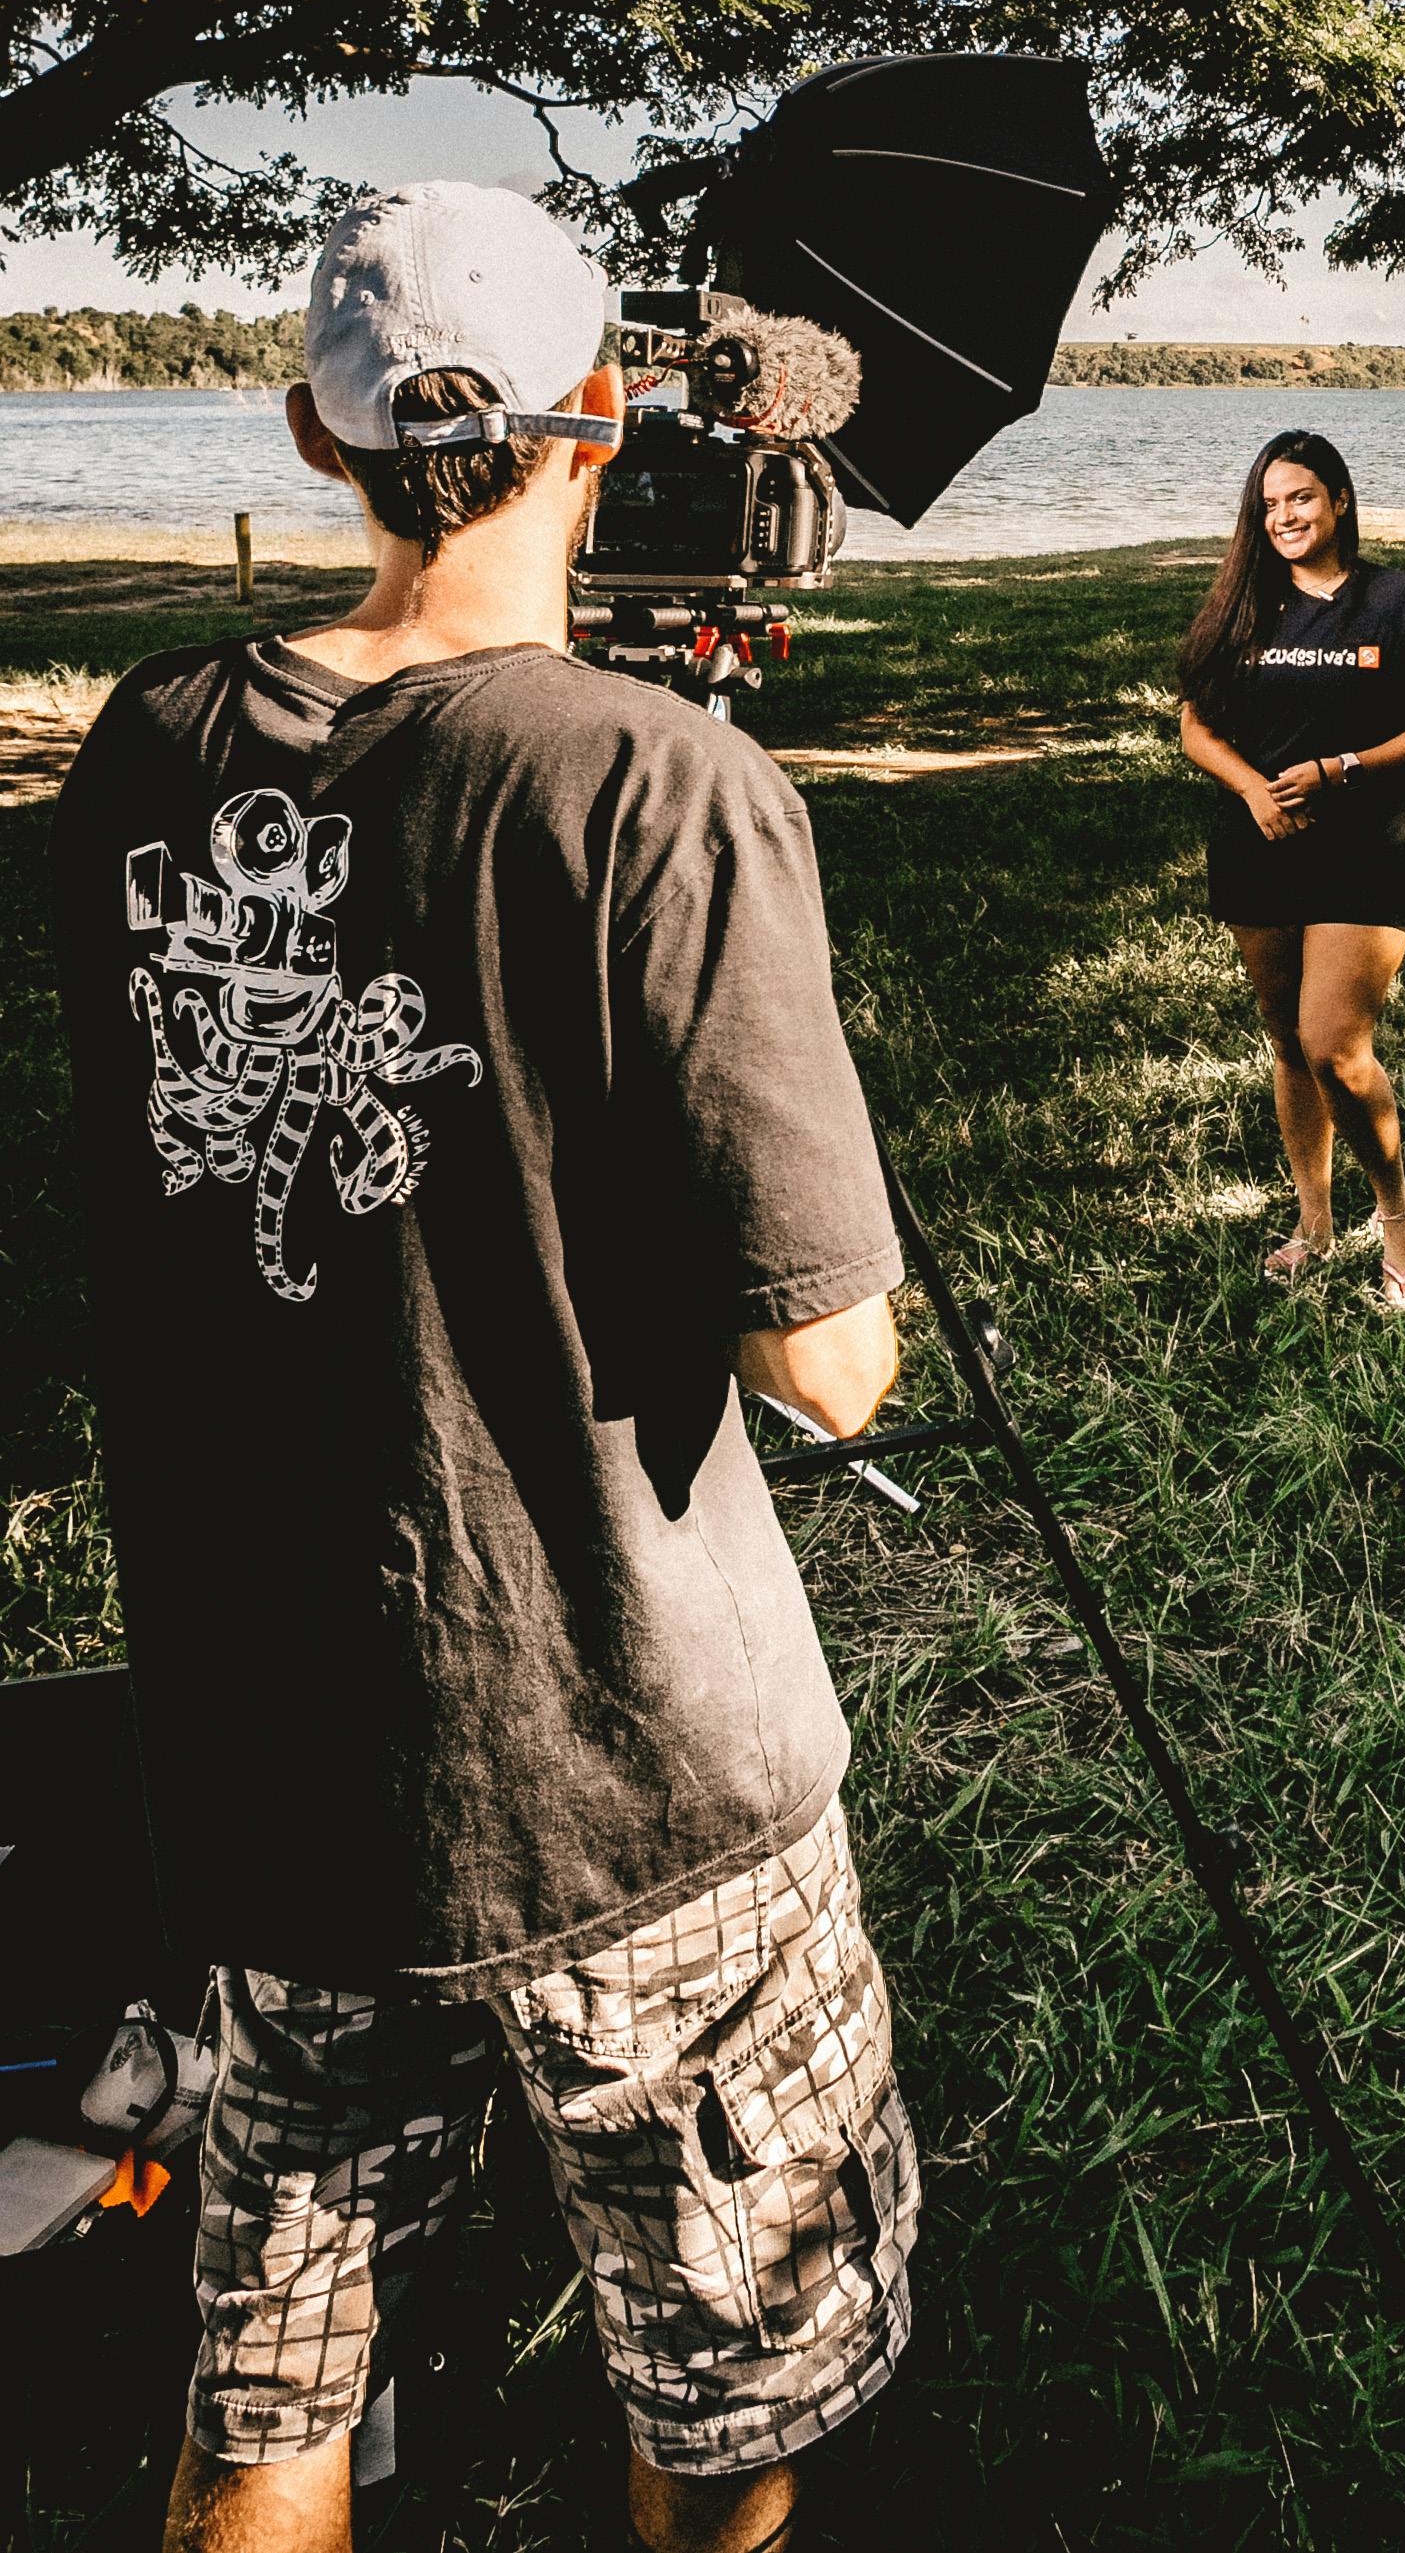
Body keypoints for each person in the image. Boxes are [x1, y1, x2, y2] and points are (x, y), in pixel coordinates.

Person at [49, 185, 920, 2553]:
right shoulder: (656, 789)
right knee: (725, 2384)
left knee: (272, 2384)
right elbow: (830, 1360)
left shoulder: (144, 753)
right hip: (638, 1770)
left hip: (279, 1757)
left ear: (307, 431)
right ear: (605, 418)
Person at [1177, 431, 1405, 1312]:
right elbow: (1196, 727)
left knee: (1335, 1048)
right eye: (1269, 503)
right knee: (1284, 1041)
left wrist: (1342, 768)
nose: (1283, 517)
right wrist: (1251, 792)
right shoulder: (1243, 605)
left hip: (1364, 846)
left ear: (1339, 499)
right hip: (1256, 846)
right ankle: (1313, 1220)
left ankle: (1398, 1220)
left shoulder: (1400, 600)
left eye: (1300, 497)